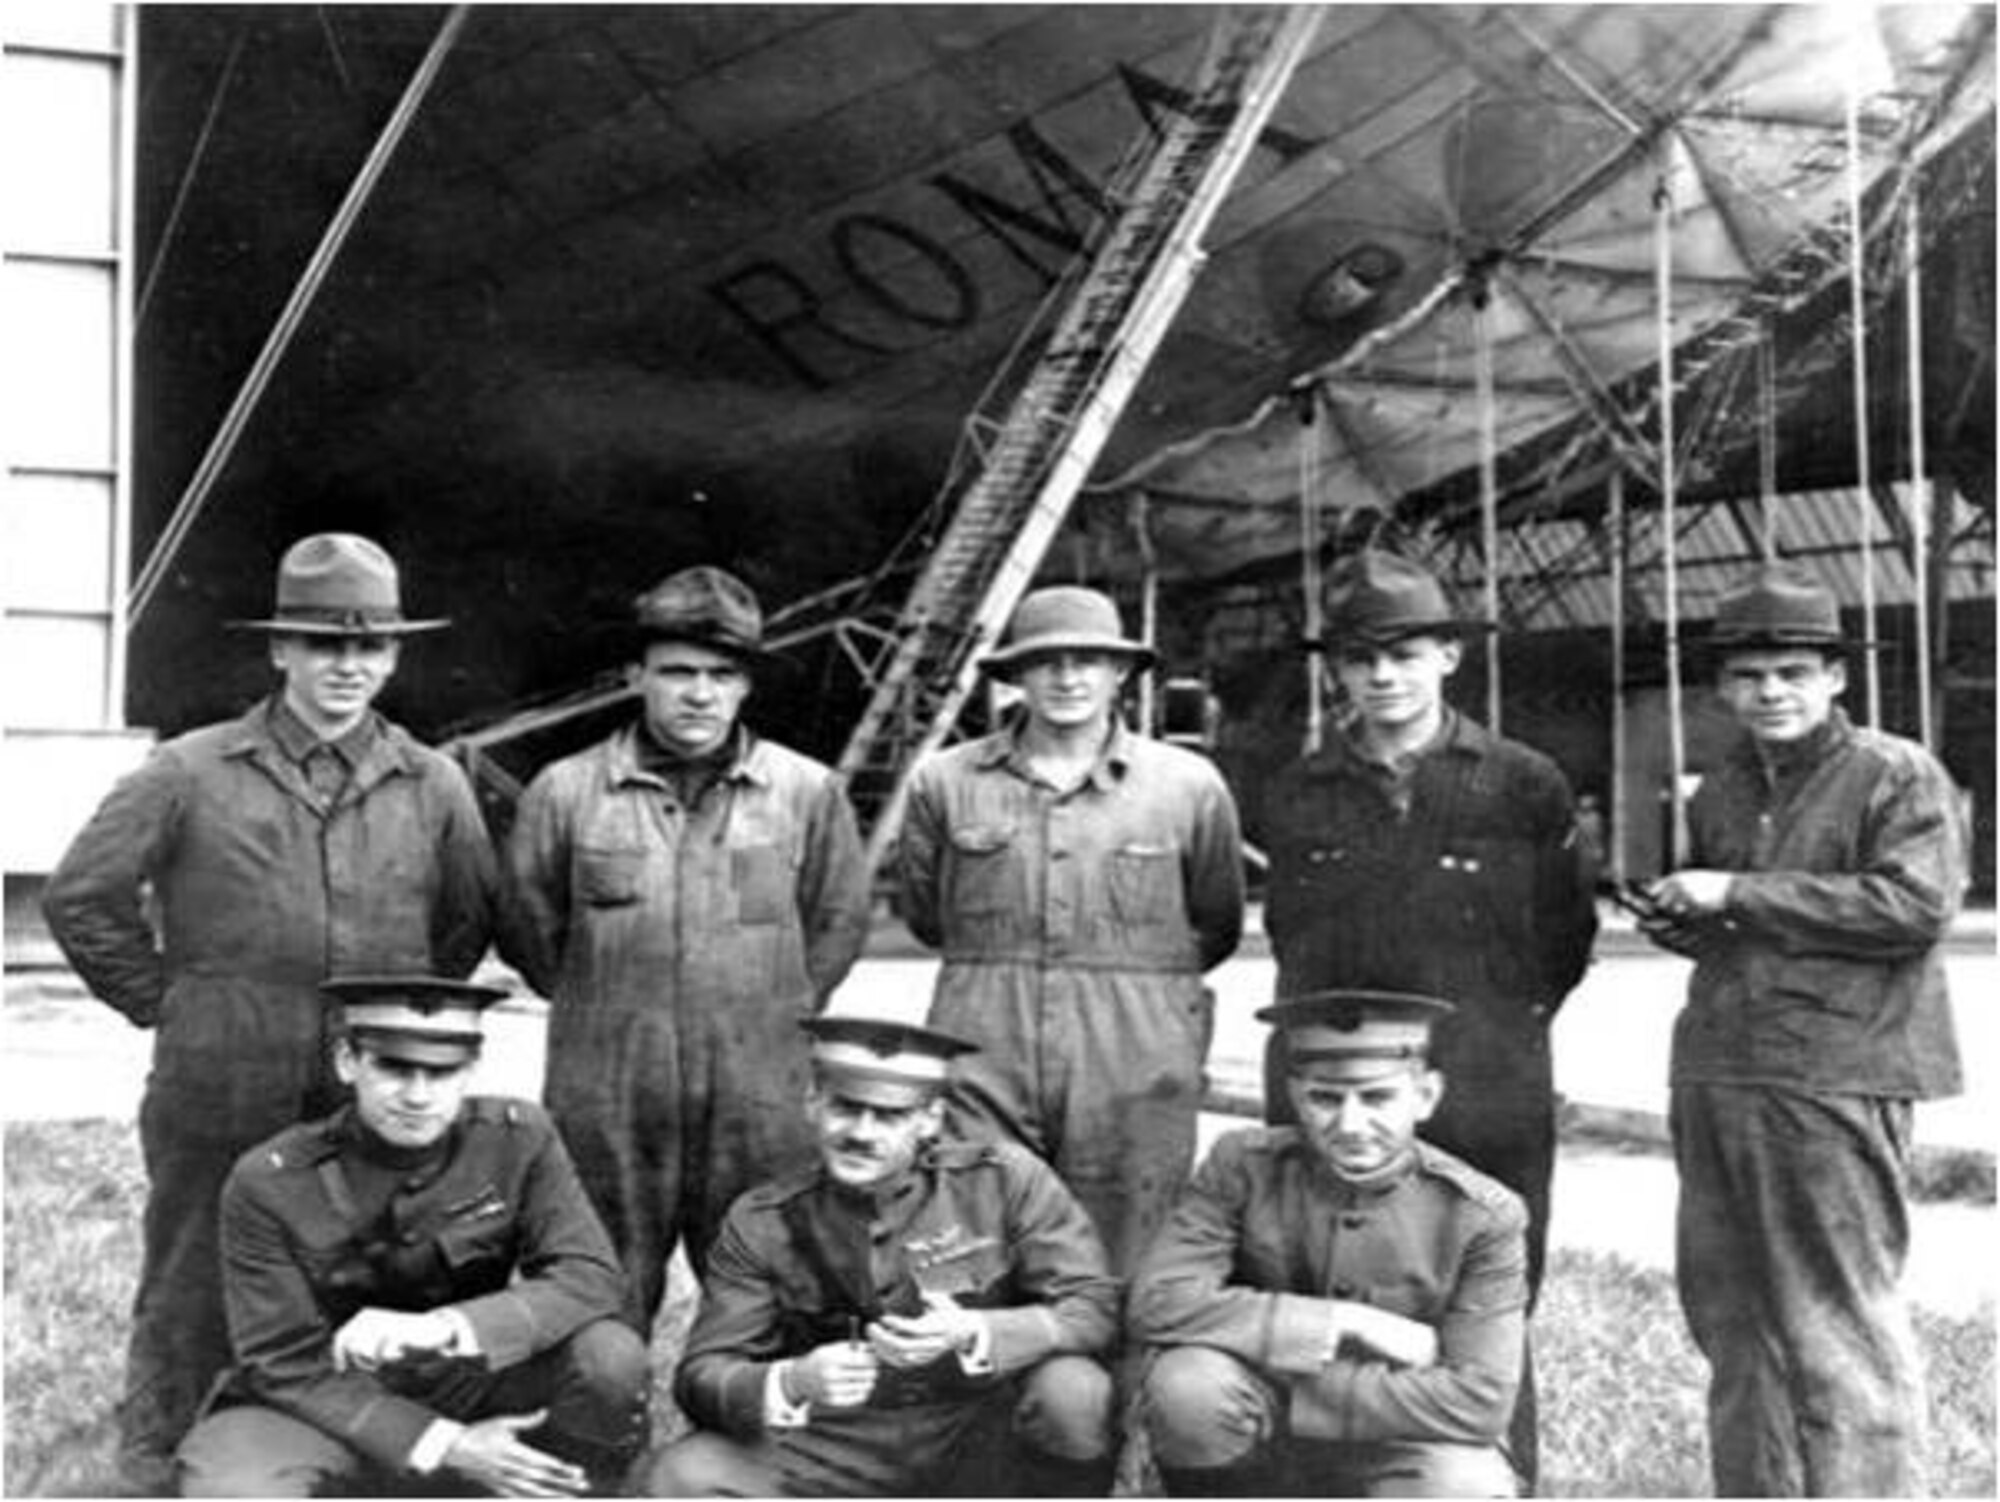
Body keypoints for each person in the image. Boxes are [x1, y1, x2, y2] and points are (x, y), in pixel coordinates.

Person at [41, 533, 497, 1493]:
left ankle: (351, 1458)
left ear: (395, 657)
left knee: (371, 1272)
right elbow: (82, 897)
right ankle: (160, 1459)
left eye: (369, 648)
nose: (347, 667)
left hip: (367, 1093)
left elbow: (462, 926)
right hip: (220, 1080)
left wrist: (393, 1033)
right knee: (193, 1277)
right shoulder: (189, 771)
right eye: (323, 645)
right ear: (278, 651)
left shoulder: (434, 784)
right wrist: (173, 1004)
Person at [1258, 548, 1596, 1485]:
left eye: (1406, 653)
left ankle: (1492, 1478)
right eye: (1362, 656)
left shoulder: (1524, 782)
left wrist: (1485, 1036)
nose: (1383, 675)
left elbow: (1563, 941)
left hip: (1486, 1085)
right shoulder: (1296, 794)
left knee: (1489, 1295)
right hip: (1338, 1091)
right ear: (1337, 669)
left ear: (1450, 656)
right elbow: (1291, 934)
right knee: (1321, 1286)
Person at [1638, 563, 1966, 1498]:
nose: (1769, 691)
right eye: (1747, 675)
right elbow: (1751, 929)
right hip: (1719, 1071)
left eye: (1791, 671)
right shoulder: (1727, 786)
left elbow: (1913, 906)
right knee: (1731, 1320)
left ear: (1838, 678)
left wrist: (1737, 892)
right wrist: (1688, 921)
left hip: (1835, 1077)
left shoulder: (1895, 774)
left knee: (1836, 1324)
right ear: (1721, 687)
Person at [500, 565, 871, 1329]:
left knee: (771, 1284)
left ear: (746, 686)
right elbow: (534, 935)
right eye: (676, 673)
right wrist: (613, 1005)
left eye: (721, 674)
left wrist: (762, 1017)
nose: (699, 693)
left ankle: (757, 1436)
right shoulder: (565, 794)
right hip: (606, 1089)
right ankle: (597, 1434)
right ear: (636, 675)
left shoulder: (806, 794)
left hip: (758, 1089)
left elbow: (834, 927)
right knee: (596, 1287)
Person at [177, 975, 649, 1497]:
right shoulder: (269, 1180)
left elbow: (591, 1277)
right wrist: (441, 1443)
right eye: (394, 1068)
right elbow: (281, 1361)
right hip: (323, 1403)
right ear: (347, 1061)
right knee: (239, 1488)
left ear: (472, 1069)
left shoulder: (519, 1140)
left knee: (609, 1356)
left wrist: (448, 1327)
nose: (418, 1096)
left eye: (442, 1072)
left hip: (473, 1379)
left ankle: (559, 1489)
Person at [894, 585, 1245, 1275]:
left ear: (1121, 674)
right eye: (1046, 661)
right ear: (1015, 676)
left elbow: (1217, 924)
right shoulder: (946, 782)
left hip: (1135, 1052)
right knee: (970, 1246)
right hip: (983, 1041)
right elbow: (927, 915)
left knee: (1129, 1252)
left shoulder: (1186, 785)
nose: (1067, 677)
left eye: (1089, 660)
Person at [643, 1013, 1120, 1497]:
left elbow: (1093, 1306)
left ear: (930, 1119)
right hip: (840, 1438)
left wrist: (977, 1332)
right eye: (845, 1108)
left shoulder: (1005, 1181)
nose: (862, 1132)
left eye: (890, 1115)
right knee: (684, 1475)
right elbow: (702, 1375)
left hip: (981, 1427)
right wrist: (793, 1380)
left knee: (1073, 1393)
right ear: (812, 1102)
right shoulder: (763, 1219)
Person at [1130, 989, 1529, 1498]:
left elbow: (1480, 1399)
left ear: (1426, 1096)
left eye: (1378, 1098)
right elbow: (1158, 1301)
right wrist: (1343, 1322)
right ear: (1295, 1095)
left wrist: (1296, 1396)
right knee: (1189, 1388)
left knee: (1460, 1486)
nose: (1351, 1124)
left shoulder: (1482, 1215)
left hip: (1408, 1439)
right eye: (1325, 1098)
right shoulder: (1242, 1166)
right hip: (1261, 1433)